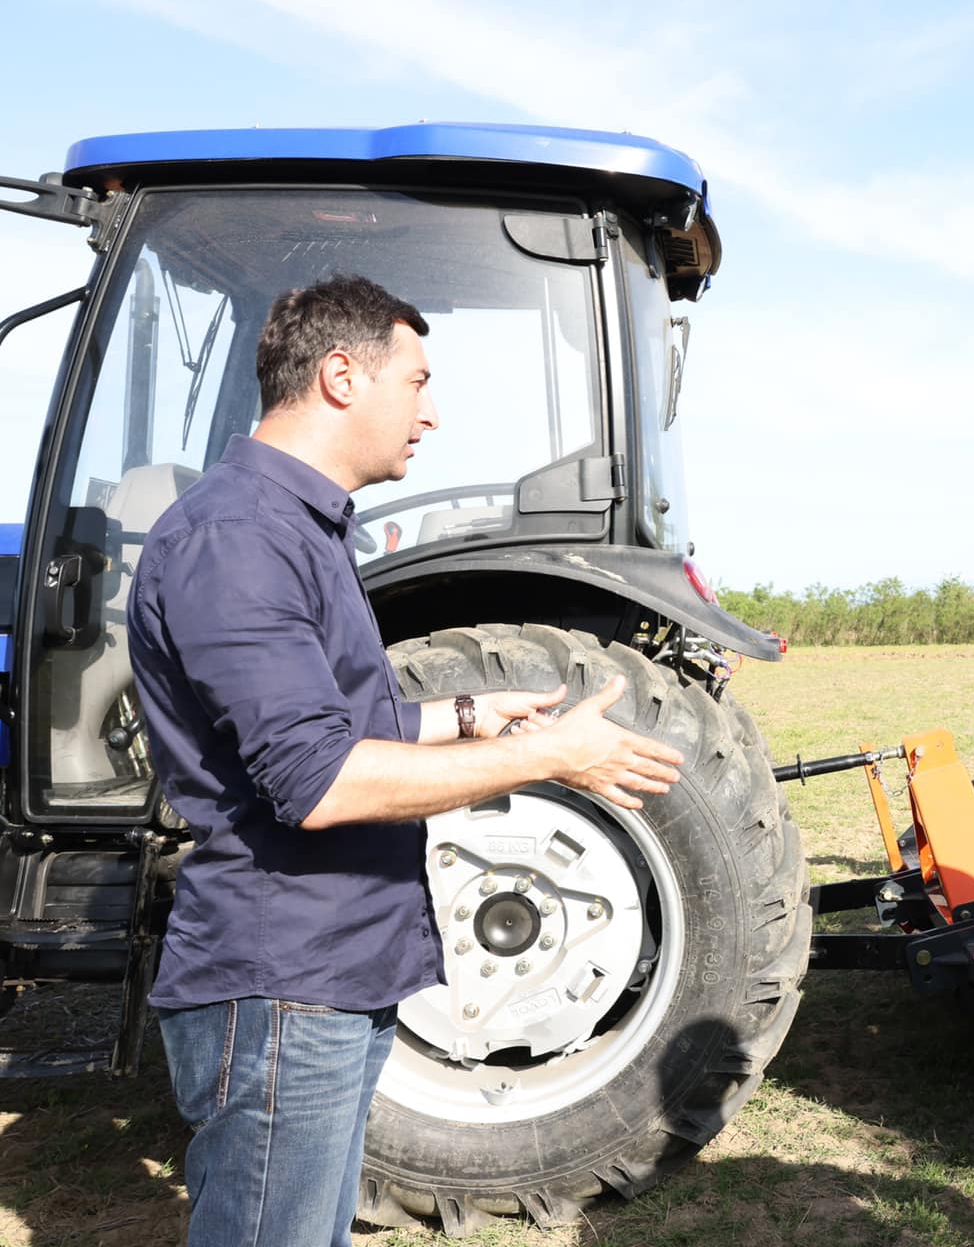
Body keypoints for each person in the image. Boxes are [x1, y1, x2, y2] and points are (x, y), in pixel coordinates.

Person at [129, 274, 687, 1247]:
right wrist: (549, 756)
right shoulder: (239, 538)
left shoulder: (297, 526)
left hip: (332, 968)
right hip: (283, 981)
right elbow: (320, 782)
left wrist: (471, 715)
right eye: (418, 382)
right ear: (341, 376)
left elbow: (341, 724)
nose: (432, 414)